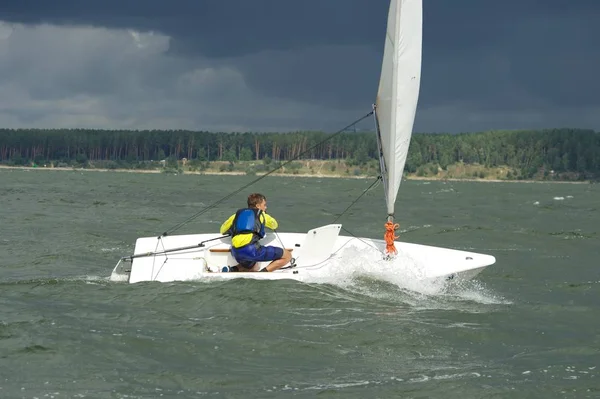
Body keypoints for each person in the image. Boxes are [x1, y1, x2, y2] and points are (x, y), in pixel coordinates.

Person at [220, 193, 292, 272]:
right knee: (287, 256)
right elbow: (274, 225)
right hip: (251, 250)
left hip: (236, 252)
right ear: (258, 206)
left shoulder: (236, 215)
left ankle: (232, 269)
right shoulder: (261, 215)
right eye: (264, 205)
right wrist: (264, 216)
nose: (265, 207)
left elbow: (222, 230)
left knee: (253, 267)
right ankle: (264, 273)